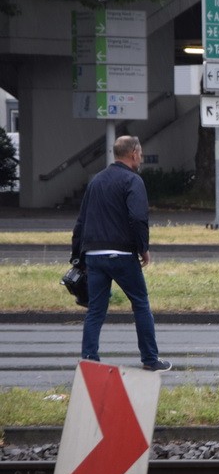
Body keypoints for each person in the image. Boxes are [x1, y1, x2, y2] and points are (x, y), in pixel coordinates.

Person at [71, 135, 171, 372]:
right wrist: (143, 248)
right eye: (141, 153)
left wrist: (77, 257)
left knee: (96, 309)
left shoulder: (96, 181)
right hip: (122, 255)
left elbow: (81, 222)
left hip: (94, 256)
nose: (142, 157)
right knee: (140, 303)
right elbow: (137, 217)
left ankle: (89, 359)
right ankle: (150, 359)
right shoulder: (132, 181)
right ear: (134, 153)